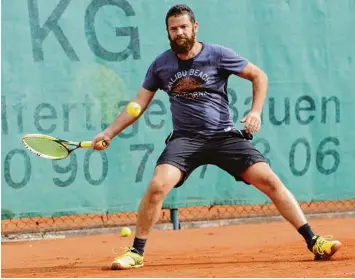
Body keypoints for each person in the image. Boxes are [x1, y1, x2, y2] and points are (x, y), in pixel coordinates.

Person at [92, 4, 341, 270]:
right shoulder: (161, 65)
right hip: (185, 140)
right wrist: (109, 133)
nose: (179, 33)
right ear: (168, 32)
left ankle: (313, 240)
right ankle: (136, 252)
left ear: (195, 27)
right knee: (157, 186)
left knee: (270, 181)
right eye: (173, 29)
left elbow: (259, 75)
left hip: (223, 136)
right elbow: (139, 103)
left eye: (184, 27)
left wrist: (255, 112)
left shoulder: (218, 55)